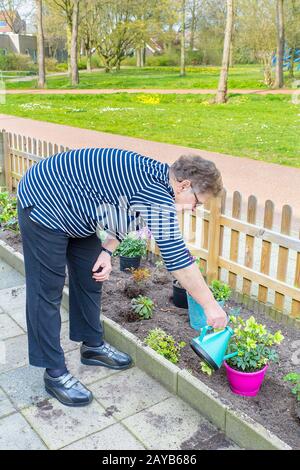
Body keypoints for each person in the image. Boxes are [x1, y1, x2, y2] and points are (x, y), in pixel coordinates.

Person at [17, 148, 227, 407]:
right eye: (197, 202)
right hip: (44, 202)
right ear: (184, 185)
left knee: (91, 275)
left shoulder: (157, 182)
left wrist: (106, 251)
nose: (194, 209)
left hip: (77, 208)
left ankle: (92, 345)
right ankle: (54, 372)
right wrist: (210, 306)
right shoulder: (156, 192)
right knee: (46, 290)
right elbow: (178, 260)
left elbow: (127, 213)